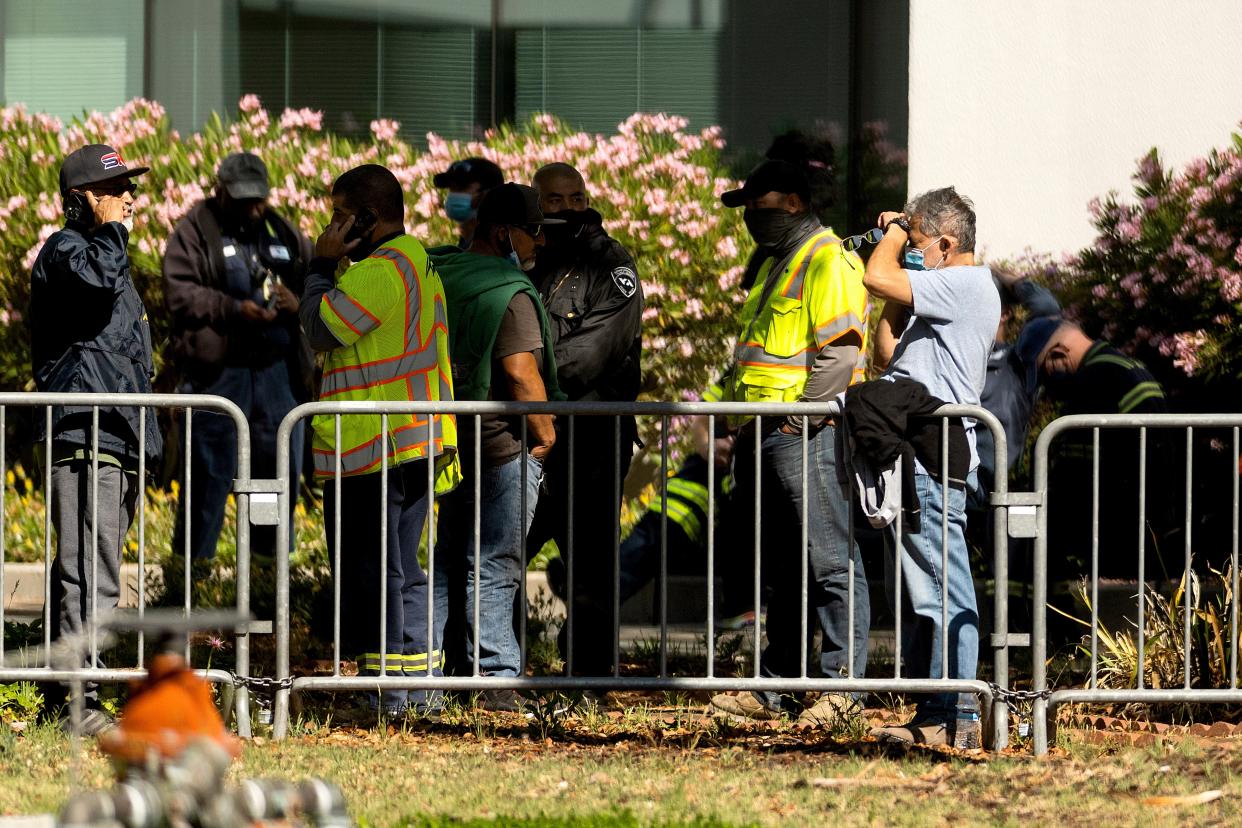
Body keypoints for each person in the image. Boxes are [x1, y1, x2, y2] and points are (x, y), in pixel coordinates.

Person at [707, 158, 871, 728]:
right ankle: (776, 686)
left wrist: (800, 421)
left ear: (796, 202)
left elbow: (843, 352)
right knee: (783, 569)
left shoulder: (826, 259)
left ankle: (841, 691)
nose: (752, 216)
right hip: (764, 436)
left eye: (761, 204)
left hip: (803, 435)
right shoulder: (781, 264)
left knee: (829, 562)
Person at [298, 164, 459, 717]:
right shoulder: (418, 260)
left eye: (341, 216)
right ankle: (416, 688)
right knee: (404, 568)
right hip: (414, 438)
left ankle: (384, 692)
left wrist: (320, 265)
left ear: (367, 218)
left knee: (376, 572)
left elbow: (321, 330)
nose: (332, 226)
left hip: (374, 443)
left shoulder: (376, 272)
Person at [30, 144, 163, 733]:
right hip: (85, 433)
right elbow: (93, 283)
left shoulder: (106, 254)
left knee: (97, 570)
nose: (131, 198)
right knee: (90, 573)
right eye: (117, 188)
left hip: (118, 436)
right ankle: (78, 700)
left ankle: (69, 693)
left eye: (131, 187)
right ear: (84, 198)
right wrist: (111, 232)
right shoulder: (68, 251)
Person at [863, 187, 1001, 748]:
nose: (909, 252)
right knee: (924, 589)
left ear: (947, 243)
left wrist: (894, 234)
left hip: (935, 448)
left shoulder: (966, 284)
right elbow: (884, 351)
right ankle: (935, 711)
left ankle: (960, 714)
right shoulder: (940, 295)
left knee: (942, 585)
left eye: (920, 244)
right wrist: (905, 280)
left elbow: (876, 276)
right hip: (913, 448)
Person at [429, 184, 562, 711]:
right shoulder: (509, 289)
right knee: (496, 563)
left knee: (447, 561)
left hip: (448, 442)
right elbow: (520, 372)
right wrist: (546, 435)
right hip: (503, 447)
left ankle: (430, 674)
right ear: (505, 232)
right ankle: (496, 677)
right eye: (533, 233)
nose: (539, 245)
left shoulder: (442, 271)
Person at [163, 152, 313, 566]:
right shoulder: (195, 230)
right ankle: (191, 580)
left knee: (273, 474)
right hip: (218, 376)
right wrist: (231, 309)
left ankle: (268, 583)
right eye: (242, 198)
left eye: (258, 199)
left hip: (277, 377)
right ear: (220, 191)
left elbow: (319, 284)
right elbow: (179, 292)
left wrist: (295, 301)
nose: (252, 207)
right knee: (206, 477)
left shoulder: (282, 231)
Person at [525, 162, 644, 677]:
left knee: (591, 568)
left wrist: (521, 373)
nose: (567, 209)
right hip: (529, 436)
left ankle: (590, 678)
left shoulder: (611, 264)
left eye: (575, 198)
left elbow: (593, 353)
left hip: (591, 438)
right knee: (500, 556)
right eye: (553, 201)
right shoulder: (525, 257)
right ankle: (497, 670)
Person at [1016, 317, 1174, 580]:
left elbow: (1077, 473)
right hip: (1149, 516)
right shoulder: (1127, 366)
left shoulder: (1094, 380)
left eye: (1045, 372)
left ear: (1059, 352)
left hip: (1118, 523)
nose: (1049, 386)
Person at [433, 157, 505, 247]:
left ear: (488, 195)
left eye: (462, 188)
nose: (453, 194)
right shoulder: (466, 243)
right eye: (451, 188)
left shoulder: (498, 247)